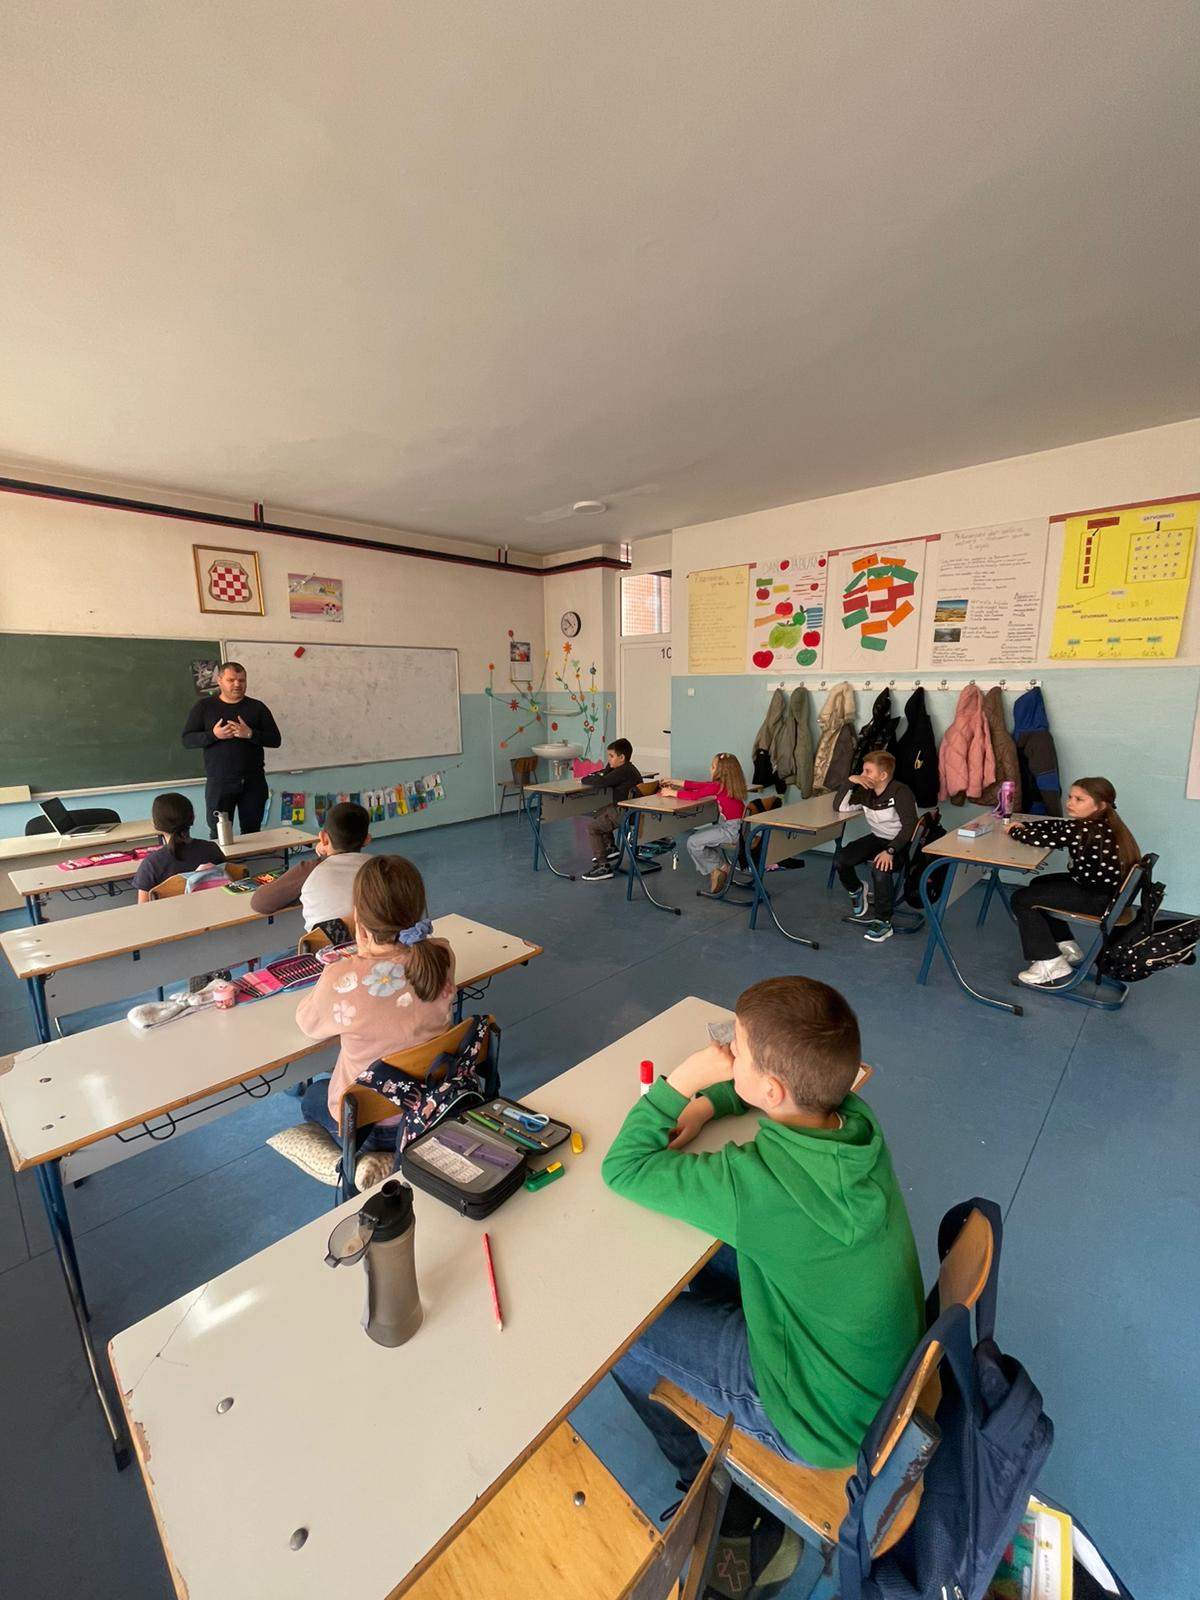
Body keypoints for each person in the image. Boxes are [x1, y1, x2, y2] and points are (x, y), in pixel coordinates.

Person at [602, 977, 923, 1589]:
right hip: (865, 1370)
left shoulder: (758, 1186)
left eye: (737, 1050)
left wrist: (683, 1083)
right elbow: (768, 1099)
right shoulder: (851, 1117)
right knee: (706, 1263)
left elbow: (625, 1168)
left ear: (772, 1087)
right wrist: (708, 1108)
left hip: (815, 1414)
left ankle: (703, 1489)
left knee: (626, 1333)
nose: (726, 1052)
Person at [295, 855, 456, 1150]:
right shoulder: (441, 955)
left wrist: (354, 960)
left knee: (313, 1096)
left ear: (357, 916)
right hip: (431, 1107)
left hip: (369, 1125)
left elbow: (308, 1024)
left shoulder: (342, 976)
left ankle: (358, 1160)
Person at [1005, 776, 1140, 987]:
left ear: (1100, 805)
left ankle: (1050, 964)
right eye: (1070, 797)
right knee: (1040, 884)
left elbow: (1041, 839)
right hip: (1104, 892)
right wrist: (1026, 825)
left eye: (1079, 799)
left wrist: (1015, 830)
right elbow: (1059, 826)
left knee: (1021, 899)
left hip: (1098, 899)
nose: (1070, 803)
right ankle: (1065, 945)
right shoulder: (1101, 823)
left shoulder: (1086, 829)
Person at [181, 660, 281, 838]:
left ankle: (251, 857)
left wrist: (250, 734)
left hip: (253, 782)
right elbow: (187, 740)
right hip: (219, 782)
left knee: (252, 831)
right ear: (219, 680)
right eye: (231, 680)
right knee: (219, 832)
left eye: (242, 680)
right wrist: (213, 735)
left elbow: (275, 740)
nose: (237, 684)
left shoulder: (257, 707)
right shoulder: (204, 707)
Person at [250, 800, 371, 942]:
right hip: (376, 948)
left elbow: (260, 903)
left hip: (325, 953)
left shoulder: (311, 869)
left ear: (323, 838)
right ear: (367, 840)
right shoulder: (383, 867)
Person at [834, 749, 918, 943]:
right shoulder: (865, 791)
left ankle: (883, 921)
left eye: (867, 771)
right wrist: (850, 781)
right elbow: (839, 807)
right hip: (878, 838)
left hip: (900, 843)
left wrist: (890, 851)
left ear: (883, 775)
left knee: (880, 870)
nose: (862, 775)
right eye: (863, 771)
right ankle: (857, 889)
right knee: (841, 859)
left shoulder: (900, 792)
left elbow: (910, 826)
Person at [661, 753, 748, 894]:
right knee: (698, 839)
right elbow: (700, 785)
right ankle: (718, 868)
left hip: (730, 831)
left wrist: (672, 793)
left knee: (693, 842)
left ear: (721, 772)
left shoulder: (719, 786)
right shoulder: (730, 785)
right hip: (737, 828)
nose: (710, 769)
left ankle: (720, 867)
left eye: (713, 767)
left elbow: (694, 795)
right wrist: (675, 782)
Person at [132, 792, 226, 902]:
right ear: (193, 818)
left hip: (172, 913)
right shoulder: (212, 849)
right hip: (215, 910)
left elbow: (143, 907)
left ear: (155, 824)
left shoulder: (151, 864)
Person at [579, 738, 643, 882]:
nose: (608, 759)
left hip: (625, 813)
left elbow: (601, 782)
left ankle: (603, 866)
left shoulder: (622, 771)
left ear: (622, 758)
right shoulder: (628, 768)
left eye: (611, 756)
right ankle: (610, 847)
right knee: (600, 812)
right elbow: (606, 774)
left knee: (592, 828)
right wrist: (609, 767)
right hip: (632, 810)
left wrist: (585, 778)